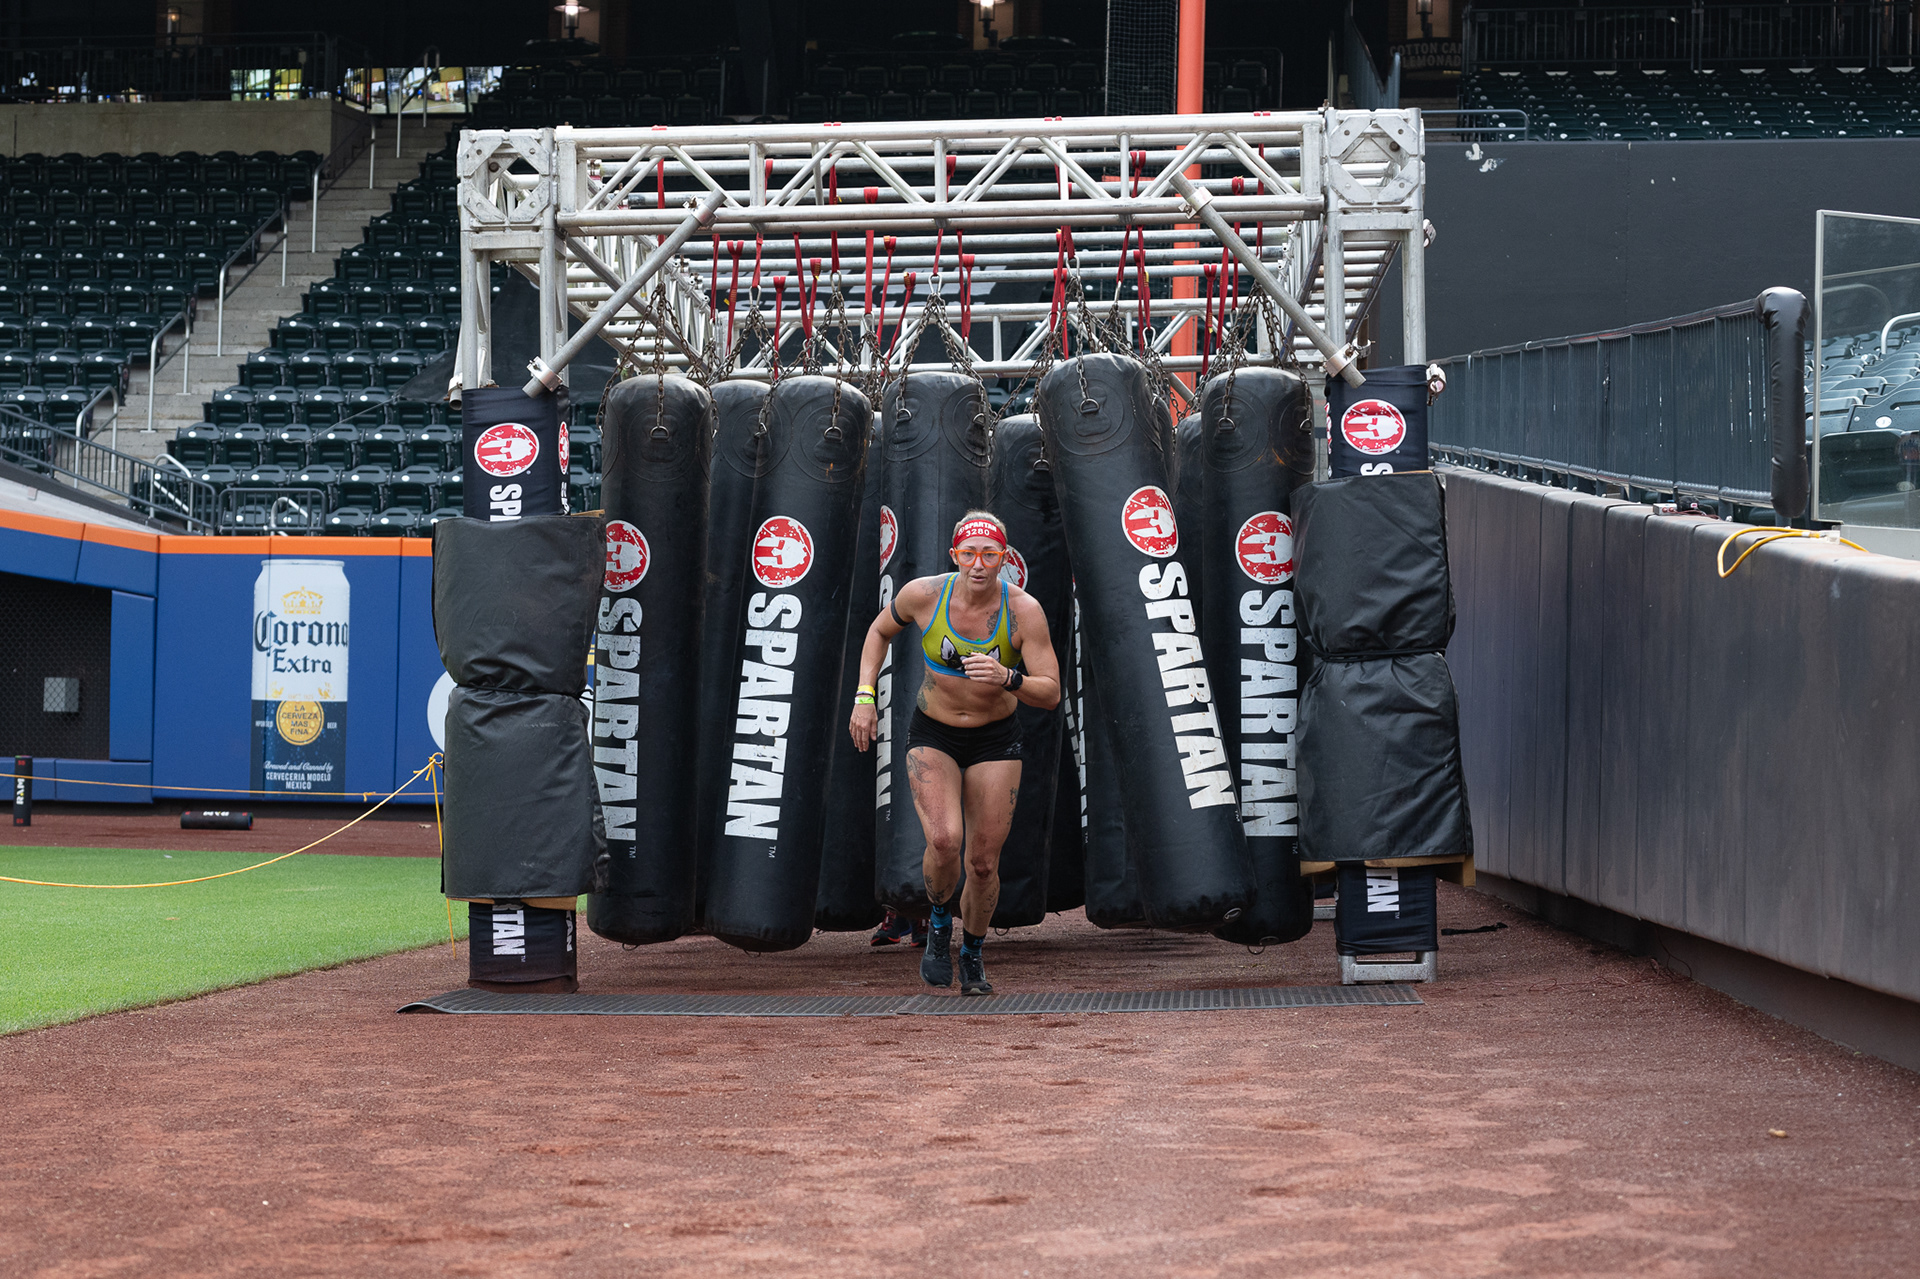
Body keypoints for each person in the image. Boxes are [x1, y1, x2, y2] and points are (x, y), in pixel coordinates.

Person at [848, 511, 1062, 995]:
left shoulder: (1023, 611)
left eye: (989, 554)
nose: (978, 564)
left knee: (983, 863)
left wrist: (1009, 677)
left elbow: (1050, 692)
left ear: (1004, 558)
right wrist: (864, 695)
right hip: (934, 733)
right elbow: (878, 632)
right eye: (969, 554)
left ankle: (973, 952)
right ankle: (940, 923)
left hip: (995, 739)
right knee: (944, 841)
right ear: (955, 556)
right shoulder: (924, 595)